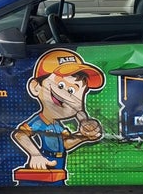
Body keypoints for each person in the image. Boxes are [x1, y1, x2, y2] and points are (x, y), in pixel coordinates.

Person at [11, 48, 105, 185]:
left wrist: (83, 136)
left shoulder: (57, 125)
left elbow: (65, 143)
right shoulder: (39, 122)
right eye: (60, 85)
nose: (68, 96)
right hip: (42, 168)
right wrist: (36, 155)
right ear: (36, 87)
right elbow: (20, 134)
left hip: (58, 169)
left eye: (72, 91)